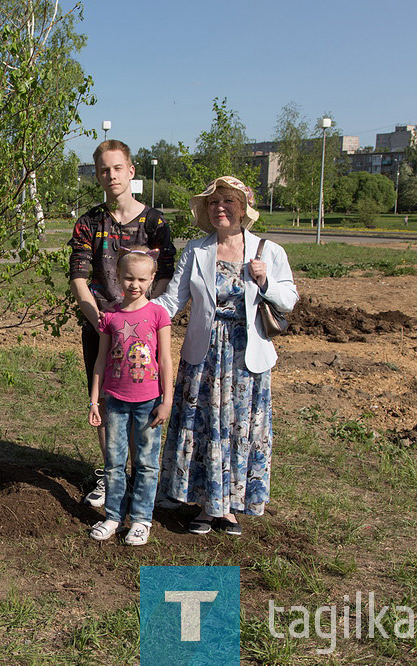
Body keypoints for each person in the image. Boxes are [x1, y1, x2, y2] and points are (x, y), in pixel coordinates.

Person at [154, 176, 298, 536]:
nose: (220, 208)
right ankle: (204, 505)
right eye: (214, 202)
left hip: (246, 358)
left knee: (239, 429)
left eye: (228, 202)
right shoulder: (197, 250)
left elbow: (289, 300)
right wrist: (134, 314)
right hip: (203, 356)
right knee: (203, 426)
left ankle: (230, 508)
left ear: (243, 209)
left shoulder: (268, 251)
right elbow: (173, 300)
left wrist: (265, 282)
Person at [68, 139, 176, 508]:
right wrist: (96, 318)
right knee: (108, 404)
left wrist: (146, 317)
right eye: (103, 170)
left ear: (131, 171)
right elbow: (78, 276)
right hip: (102, 333)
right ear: (97, 175)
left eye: (117, 168)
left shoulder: (155, 223)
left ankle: (140, 478)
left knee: (143, 403)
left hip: (145, 335)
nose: (111, 175)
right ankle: (112, 475)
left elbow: (166, 277)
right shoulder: (89, 223)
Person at [87, 248, 172, 546]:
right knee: (114, 460)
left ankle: (140, 520)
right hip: (115, 401)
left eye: (141, 279)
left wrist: (167, 400)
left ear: (151, 279)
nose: (134, 285)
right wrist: (94, 400)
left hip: (149, 402)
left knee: (147, 463)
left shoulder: (159, 314)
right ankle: (112, 516)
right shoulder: (110, 316)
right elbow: (101, 360)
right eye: (128, 278)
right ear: (117, 277)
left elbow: (165, 361)